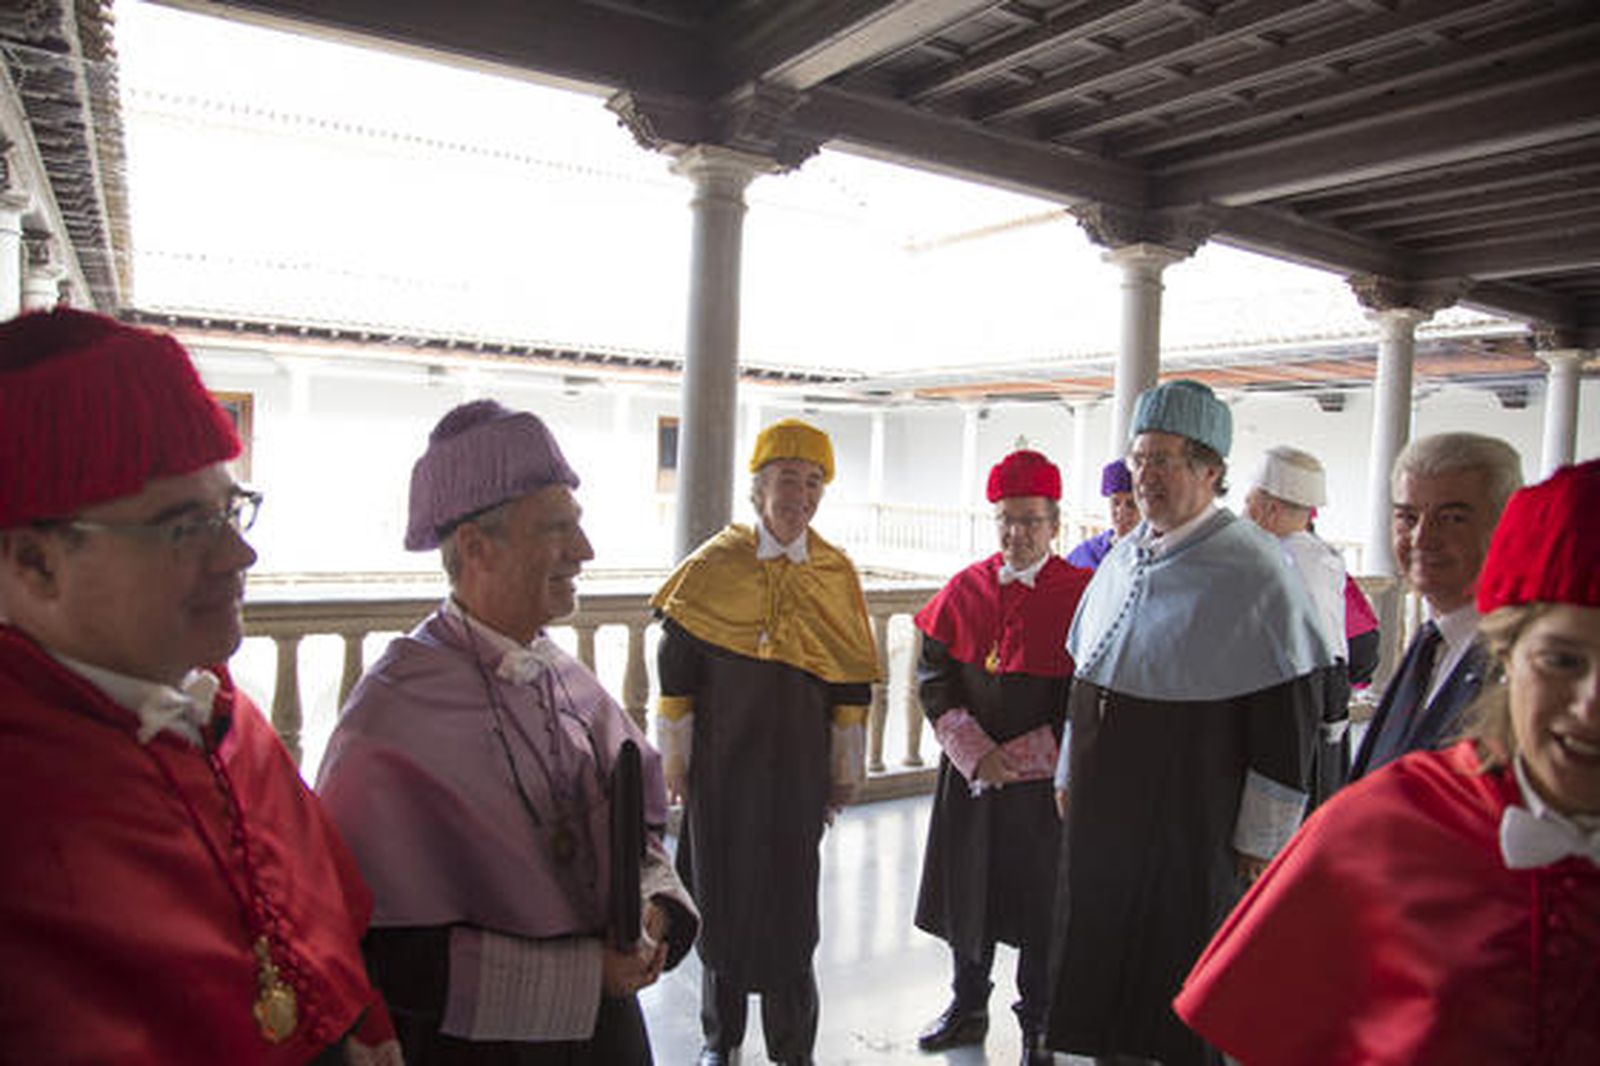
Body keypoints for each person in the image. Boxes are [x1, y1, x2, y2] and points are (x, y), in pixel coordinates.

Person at [0, 308, 396, 1063]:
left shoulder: (230, 718)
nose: (238, 554)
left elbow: (333, 942)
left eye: (230, 509)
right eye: (186, 526)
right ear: (35, 563)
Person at [1176, 458, 1600, 1065]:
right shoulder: (1388, 822)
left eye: (1452, 517)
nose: (1591, 708)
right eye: (1561, 662)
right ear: (1507, 655)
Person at [317, 400, 697, 1064]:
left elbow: (639, 831)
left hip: (606, 1035)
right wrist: (585, 978)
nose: (585, 551)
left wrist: (655, 911)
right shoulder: (389, 720)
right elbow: (393, 956)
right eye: (558, 529)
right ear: (475, 547)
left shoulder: (566, 679)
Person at [1043, 379, 1336, 1066]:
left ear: (1210, 471)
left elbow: (1283, 717)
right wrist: (1068, 769)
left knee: (1177, 971)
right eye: (1140, 459)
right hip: (1105, 807)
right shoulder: (1124, 552)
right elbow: (1086, 677)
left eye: (1165, 460)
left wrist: (1262, 838)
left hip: (1191, 812)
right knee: (1100, 951)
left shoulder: (1255, 570)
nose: (1146, 475)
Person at [652, 418, 879, 1066]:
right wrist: (676, 754)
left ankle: (792, 1047)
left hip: (797, 777)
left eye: (813, 483)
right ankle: (719, 1042)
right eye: (786, 479)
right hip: (722, 772)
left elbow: (852, 684)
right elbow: (676, 668)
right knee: (718, 902)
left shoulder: (835, 572)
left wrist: (843, 768)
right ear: (758, 489)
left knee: (790, 911)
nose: (800, 495)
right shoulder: (714, 565)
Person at [912, 450, 1092, 1064]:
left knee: (1042, 904)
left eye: (1030, 521)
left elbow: (1088, 696)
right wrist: (976, 754)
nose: (1016, 534)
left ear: (1054, 525)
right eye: (1006, 521)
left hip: (1045, 789)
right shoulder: (965, 588)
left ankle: (1038, 1022)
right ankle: (967, 1006)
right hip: (972, 780)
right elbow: (933, 676)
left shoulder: (1082, 595)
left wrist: (1023, 758)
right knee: (971, 893)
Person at [1349, 432, 1523, 780]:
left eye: (1452, 518)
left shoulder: (1523, 660)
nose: (1422, 538)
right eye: (1407, 517)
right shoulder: (1432, 641)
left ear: (1506, 523)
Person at [1243, 445, 1354, 808]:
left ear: (1268, 511)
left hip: (1292, 705)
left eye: (1247, 504)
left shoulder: (1278, 563)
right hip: (1327, 696)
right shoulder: (1323, 557)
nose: (1242, 515)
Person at [1065, 459, 1139, 569]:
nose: (1121, 512)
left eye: (1131, 504)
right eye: (1115, 502)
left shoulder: (1156, 554)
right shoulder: (1086, 553)